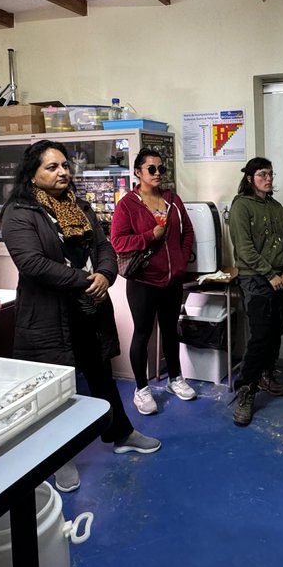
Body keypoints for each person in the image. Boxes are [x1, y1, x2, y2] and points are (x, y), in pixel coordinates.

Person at [1, 140, 159, 491]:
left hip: (88, 310)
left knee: (101, 375)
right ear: (33, 173)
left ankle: (121, 432)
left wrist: (106, 274)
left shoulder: (79, 205)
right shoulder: (20, 213)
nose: (62, 172)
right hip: (48, 315)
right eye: (52, 167)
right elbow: (31, 263)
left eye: (64, 166)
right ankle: (59, 459)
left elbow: (104, 246)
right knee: (53, 391)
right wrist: (87, 280)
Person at [111, 148, 197, 415]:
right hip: (143, 281)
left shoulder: (172, 200)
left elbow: (188, 232)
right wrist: (149, 235)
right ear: (138, 172)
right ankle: (141, 389)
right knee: (142, 333)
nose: (158, 173)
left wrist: (181, 263)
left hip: (171, 280)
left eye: (161, 169)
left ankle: (175, 379)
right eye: (152, 169)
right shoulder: (127, 204)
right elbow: (118, 241)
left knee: (171, 330)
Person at [228, 157, 283, 427]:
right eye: (262, 175)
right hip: (256, 280)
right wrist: (270, 275)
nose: (268, 179)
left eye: (270, 174)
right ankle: (246, 388)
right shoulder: (241, 207)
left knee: (276, 330)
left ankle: (267, 374)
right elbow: (244, 249)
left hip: (281, 280)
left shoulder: (277, 207)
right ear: (249, 178)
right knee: (261, 334)